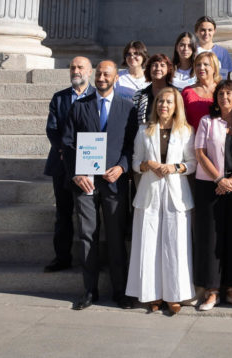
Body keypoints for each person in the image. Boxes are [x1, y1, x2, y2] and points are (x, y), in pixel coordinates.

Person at [61, 60, 138, 310]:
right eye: (99, 73)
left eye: (107, 74)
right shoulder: (79, 106)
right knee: (87, 236)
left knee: (116, 238)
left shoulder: (127, 108)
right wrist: (75, 173)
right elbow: (68, 143)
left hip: (114, 183)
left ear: (117, 78)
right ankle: (89, 290)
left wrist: (122, 167)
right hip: (85, 183)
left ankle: (120, 291)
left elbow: (131, 145)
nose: (102, 77)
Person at [126, 87, 196, 315]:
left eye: (168, 102)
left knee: (175, 245)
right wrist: (148, 165)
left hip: (176, 194)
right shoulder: (144, 130)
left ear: (176, 106)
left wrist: (175, 167)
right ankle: (151, 294)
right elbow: (135, 161)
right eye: (160, 102)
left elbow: (192, 163)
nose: (163, 105)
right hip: (149, 193)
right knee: (149, 244)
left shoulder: (186, 131)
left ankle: (174, 295)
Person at [193, 79, 232, 310]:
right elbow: (200, 153)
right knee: (210, 239)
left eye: (229, 94)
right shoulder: (207, 122)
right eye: (220, 94)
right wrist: (219, 179)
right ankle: (212, 291)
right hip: (210, 186)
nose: (224, 98)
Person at [43, 56, 94, 273]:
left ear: (89, 72)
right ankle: (62, 257)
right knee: (63, 212)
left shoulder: (97, 96)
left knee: (89, 214)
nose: (76, 70)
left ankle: (90, 260)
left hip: (90, 162)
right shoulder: (59, 98)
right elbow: (52, 129)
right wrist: (64, 150)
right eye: (73, 67)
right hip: (62, 163)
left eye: (80, 67)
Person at [131, 53, 173, 125]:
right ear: (149, 70)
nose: (158, 68)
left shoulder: (177, 93)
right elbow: (133, 121)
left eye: (162, 65)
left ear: (168, 70)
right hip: (145, 134)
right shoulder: (139, 95)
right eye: (154, 65)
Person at [182, 51, 219, 131]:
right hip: (192, 139)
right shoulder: (187, 92)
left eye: (206, 64)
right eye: (198, 65)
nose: (201, 68)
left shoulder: (222, 90)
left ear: (214, 68)